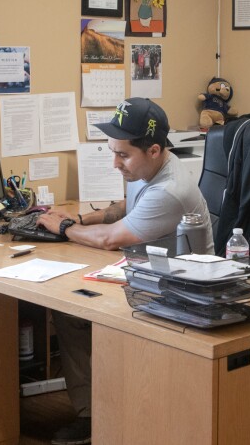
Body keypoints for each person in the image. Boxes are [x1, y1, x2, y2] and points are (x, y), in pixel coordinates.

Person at [36, 97, 213, 445]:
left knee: (75, 307)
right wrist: (85, 218)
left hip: (176, 293)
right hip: (142, 270)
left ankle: (110, 414)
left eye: (123, 155)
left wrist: (64, 227)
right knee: (69, 307)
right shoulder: (152, 165)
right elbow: (127, 207)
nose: (116, 163)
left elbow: (109, 241)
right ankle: (95, 413)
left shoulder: (170, 190)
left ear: (154, 150)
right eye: (112, 152)